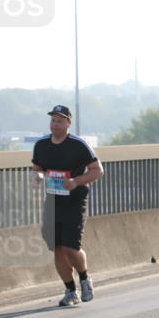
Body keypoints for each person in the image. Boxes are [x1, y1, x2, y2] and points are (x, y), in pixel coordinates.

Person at [30, 105, 103, 307]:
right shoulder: (42, 145)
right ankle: (71, 290)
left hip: (75, 201)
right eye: (53, 120)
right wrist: (35, 178)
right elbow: (36, 168)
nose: (55, 124)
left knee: (71, 247)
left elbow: (97, 171)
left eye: (60, 121)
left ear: (68, 123)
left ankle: (85, 278)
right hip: (53, 203)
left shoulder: (79, 145)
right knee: (57, 248)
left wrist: (77, 181)